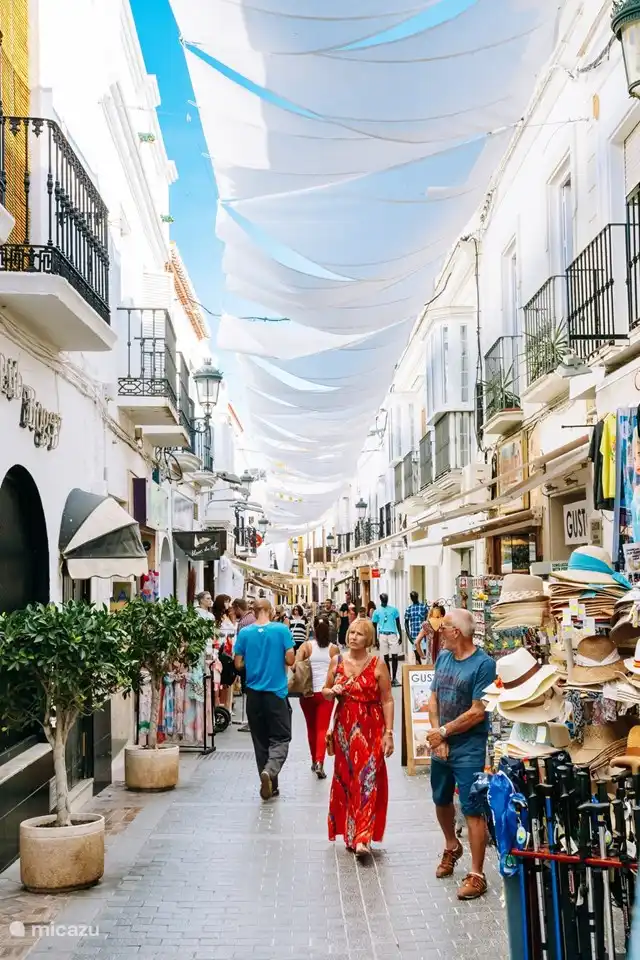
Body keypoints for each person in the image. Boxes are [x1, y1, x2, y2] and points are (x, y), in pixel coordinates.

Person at [426, 608, 496, 900]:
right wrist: (436, 734)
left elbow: (478, 711)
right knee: (441, 798)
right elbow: (433, 697)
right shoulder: (443, 657)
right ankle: (452, 845)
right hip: (442, 742)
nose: (438, 632)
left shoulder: (484, 664)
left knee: (472, 807)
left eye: (443, 628)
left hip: (468, 746)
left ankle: (477, 874)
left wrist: (444, 732)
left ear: (457, 632)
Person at [323, 618, 394, 857]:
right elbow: (324, 692)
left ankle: (363, 837)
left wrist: (389, 733)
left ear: (369, 639)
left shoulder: (378, 664)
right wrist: (332, 691)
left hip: (371, 728)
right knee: (348, 780)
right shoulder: (337, 661)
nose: (353, 637)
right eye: (351, 632)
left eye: (359, 634)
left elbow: (387, 699)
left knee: (368, 779)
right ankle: (351, 831)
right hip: (344, 730)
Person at [234, 599, 295, 800]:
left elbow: (238, 664)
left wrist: (254, 662)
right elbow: (290, 659)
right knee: (281, 737)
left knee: (260, 741)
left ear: (254, 610)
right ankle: (270, 770)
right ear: (269, 611)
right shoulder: (281, 630)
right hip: (276, 693)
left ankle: (271, 783)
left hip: (253, 694)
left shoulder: (244, 633)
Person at [295, 618, 339, 779]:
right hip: (326, 694)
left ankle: (314, 760)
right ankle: (320, 761)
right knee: (322, 728)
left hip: (307, 694)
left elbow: (295, 666)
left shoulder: (306, 646)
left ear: (313, 628)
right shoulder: (333, 649)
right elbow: (339, 670)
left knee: (311, 728)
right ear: (329, 629)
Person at [371, 593, 403, 686]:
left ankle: (394, 678)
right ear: (381, 599)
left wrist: (400, 634)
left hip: (392, 634)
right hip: (382, 635)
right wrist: (375, 639)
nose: (385, 600)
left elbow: (398, 623)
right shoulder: (376, 612)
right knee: (385, 658)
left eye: (386, 599)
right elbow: (374, 626)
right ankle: (388, 677)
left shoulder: (394, 610)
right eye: (383, 599)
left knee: (395, 656)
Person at [405, 591, 428, 663]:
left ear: (417, 596)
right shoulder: (409, 609)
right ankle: (418, 671)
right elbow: (406, 623)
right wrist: (409, 636)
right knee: (417, 656)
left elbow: (428, 619)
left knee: (425, 654)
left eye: (415, 596)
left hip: (424, 635)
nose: (413, 598)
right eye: (412, 597)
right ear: (411, 598)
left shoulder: (423, 607)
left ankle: (425, 672)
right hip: (414, 635)